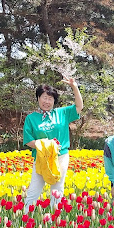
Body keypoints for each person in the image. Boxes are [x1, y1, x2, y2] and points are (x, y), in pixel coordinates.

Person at [23, 78, 83, 208]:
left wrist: (74, 87)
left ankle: (54, 221)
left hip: (60, 156)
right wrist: (46, 146)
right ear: (38, 98)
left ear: (54, 101)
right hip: (41, 158)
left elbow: (79, 107)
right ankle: (27, 219)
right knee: (34, 189)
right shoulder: (31, 118)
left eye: (50, 99)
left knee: (57, 189)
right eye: (44, 98)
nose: (47, 101)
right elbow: (28, 140)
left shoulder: (62, 113)